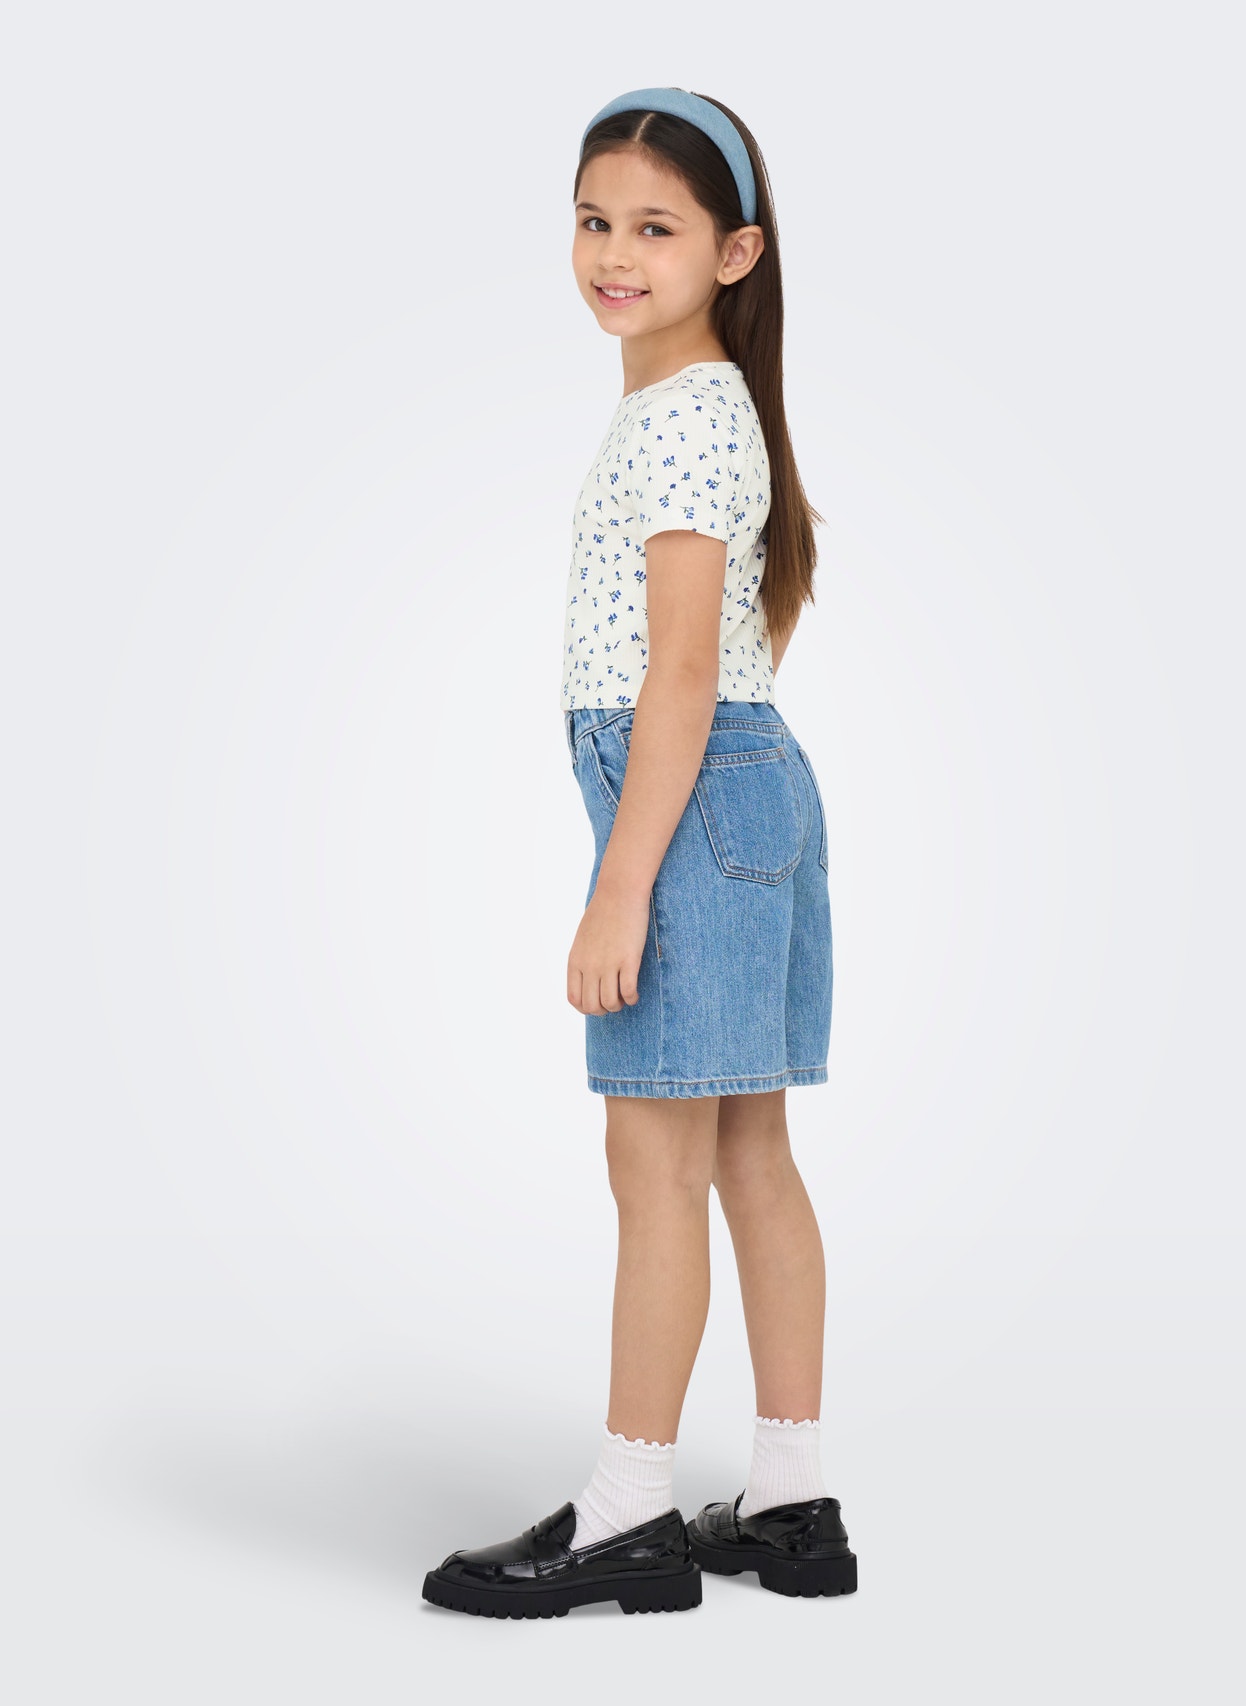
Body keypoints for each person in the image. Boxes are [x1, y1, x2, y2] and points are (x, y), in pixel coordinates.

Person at [422, 86, 857, 1620]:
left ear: (736, 252)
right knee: (746, 1154)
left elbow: (679, 676)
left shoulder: (681, 420)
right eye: (594, 221)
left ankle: (628, 1514)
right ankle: (793, 1501)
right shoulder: (710, 406)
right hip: (750, 793)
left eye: (656, 228)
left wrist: (621, 886)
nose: (615, 254)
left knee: (656, 1164)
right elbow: (731, 648)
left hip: (689, 804)